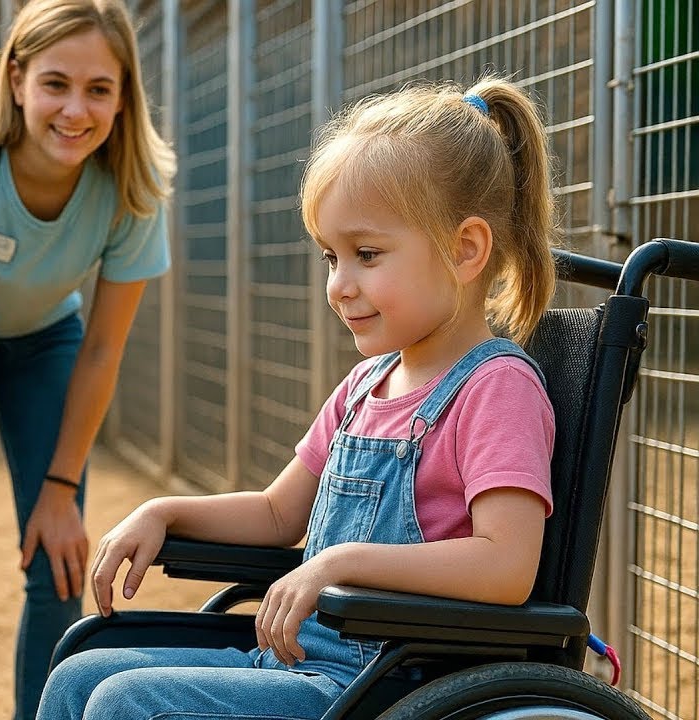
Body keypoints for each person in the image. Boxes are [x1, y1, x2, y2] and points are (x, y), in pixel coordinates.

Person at [36, 76, 561, 720]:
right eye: (329, 257)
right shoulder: (365, 387)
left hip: (387, 684)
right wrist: (165, 511)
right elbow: (277, 514)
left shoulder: (495, 388)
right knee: (79, 674)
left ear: (465, 249)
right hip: (297, 667)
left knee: (127, 703)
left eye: (366, 254)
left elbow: (506, 566)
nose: (339, 285)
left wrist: (341, 563)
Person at [0, 1, 176, 718]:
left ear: (124, 94)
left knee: (58, 557)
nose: (75, 110)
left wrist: (61, 487)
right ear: (15, 79)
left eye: (99, 89)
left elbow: (105, 345)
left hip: (46, 341)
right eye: (56, 83)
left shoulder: (133, 184)